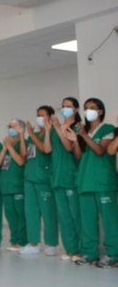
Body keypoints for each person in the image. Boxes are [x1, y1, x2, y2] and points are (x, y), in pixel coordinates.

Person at [71, 98, 117, 267]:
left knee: (110, 220)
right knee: (88, 221)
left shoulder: (108, 129)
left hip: (104, 182)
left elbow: (99, 150)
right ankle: (90, 253)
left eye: (92, 108)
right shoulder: (84, 132)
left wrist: (83, 135)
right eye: (86, 108)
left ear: (100, 111)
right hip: (85, 181)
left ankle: (113, 254)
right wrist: (77, 138)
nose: (88, 111)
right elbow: (79, 156)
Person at [20, 107, 57, 256]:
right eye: (37, 115)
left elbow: (45, 149)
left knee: (48, 213)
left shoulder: (53, 133)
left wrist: (31, 134)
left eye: (42, 115)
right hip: (30, 178)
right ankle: (33, 243)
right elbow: (24, 154)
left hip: (44, 178)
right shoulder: (32, 135)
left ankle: (51, 243)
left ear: (50, 117)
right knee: (31, 213)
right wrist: (23, 134)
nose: (39, 118)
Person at [50, 97, 82, 261]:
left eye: (68, 106)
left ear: (76, 109)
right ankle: (70, 250)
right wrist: (52, 127)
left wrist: (56, 127)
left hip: (71, 176)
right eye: (62, 106)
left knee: (76, 215)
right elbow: (49, 150)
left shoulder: (77, 127)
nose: (64, 109)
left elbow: (69, 147)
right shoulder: (56, 128)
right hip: (57, 177)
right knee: (64, 216)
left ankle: (80, 250)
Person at [0, 119, 27, 251]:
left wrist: (11, 147)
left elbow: (21, 161)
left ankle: (22, 241)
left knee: (20, 215)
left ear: (20, 129)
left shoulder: (23, 143)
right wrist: (5, 148)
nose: (9, 129)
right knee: (11, 215)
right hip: (6, 187)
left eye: (13, 126)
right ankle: (14, 240)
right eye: (8, 126)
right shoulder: (6, 146)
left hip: (18, 186)